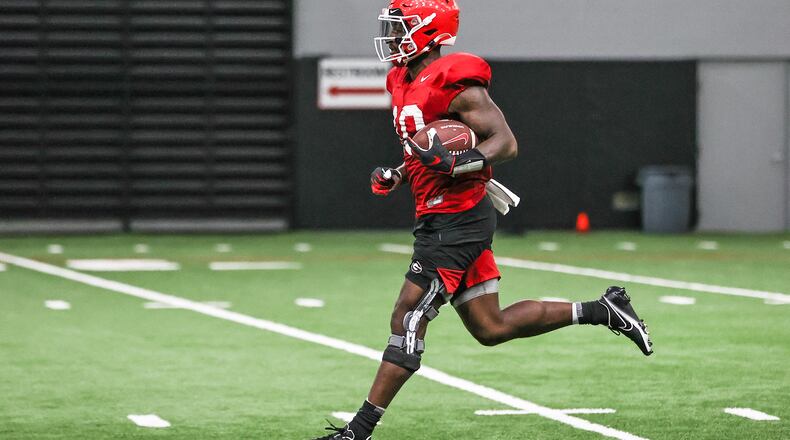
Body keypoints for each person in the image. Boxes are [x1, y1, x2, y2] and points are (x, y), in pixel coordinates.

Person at [313, 1, 652, 438]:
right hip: (438, 213)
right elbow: (425, 147)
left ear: (428, 31)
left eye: (400, 27)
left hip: (458, 220)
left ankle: (358, 430)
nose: (392, 36)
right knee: (490, 328)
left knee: (407, 316)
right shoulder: (400, 79)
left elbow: (505, 143)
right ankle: (602, 311)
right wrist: (398, 173)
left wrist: (461, 163)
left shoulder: (454, 79)